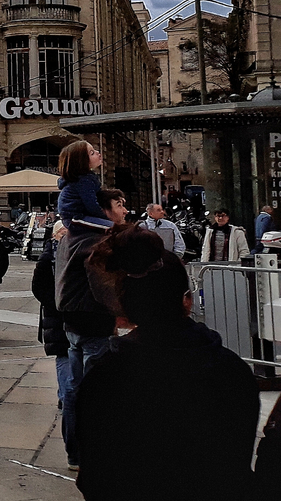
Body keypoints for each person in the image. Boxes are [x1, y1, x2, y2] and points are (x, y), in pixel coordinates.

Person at [75, 222, 281, 499]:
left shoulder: (105, 377)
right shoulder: (232, 369)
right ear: (187, 300)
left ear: (124, 308)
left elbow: (94, 478)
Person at [54, 187, 127, 471]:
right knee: (96, 390)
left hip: (72, 322)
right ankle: (93, 452)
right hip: (94, 321)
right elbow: (104, 286)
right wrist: (121, 312)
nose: (124, 210)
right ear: (102, 210)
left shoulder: (70, 236)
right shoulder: (97, 240)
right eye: (118, 205)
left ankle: (76, 454)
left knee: (74, 389)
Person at [33, 221, 70, 419]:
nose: (66, 236)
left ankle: (69, 394)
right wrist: (56, 302)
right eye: (62, 233)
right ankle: (65, 396)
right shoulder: (48, 257)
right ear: (55, 235)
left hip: (72, 312)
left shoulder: (74, 252)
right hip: (55, 314)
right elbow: (38, 287)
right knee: (63, 355)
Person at [56, 140, 106, 224]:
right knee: (113, 228)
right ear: (82, 161)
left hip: (75, 217)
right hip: (76, 218)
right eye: (92, 153)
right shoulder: (84, 181)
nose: (98, 152)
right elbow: (92, 205)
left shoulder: (85, 178)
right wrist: (105, 217)